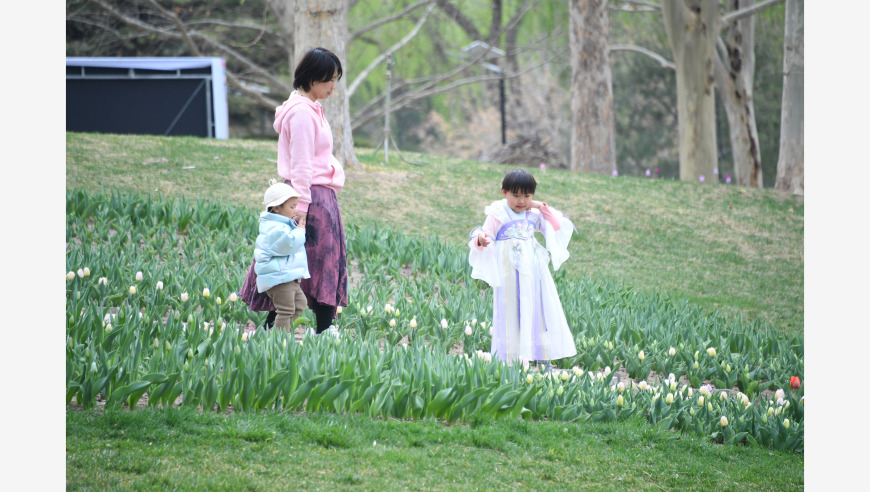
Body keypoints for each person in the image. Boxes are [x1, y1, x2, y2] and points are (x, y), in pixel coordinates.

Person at [239, 47, 348, 336]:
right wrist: (300, 210)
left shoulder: (310, 107)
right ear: (313, 79)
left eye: (336, 79)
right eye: (329, 80)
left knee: (306, 262)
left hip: (315, 197)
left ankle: (308, 328)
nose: (333, 87)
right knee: (296, 262)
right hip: (305, 198)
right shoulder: (301, 113)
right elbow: (301, 165)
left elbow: (315, 158)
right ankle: (311, 330)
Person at [468, 169, 577, 370]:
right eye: (515, 195)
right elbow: (486, 234)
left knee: (537, 308)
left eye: (527, 196)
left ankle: (542, 355)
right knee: (509, 310)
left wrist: (538, 205)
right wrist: (482, 239)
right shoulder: (498, 212)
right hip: (508, 272)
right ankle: (509, 359)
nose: (521, 201)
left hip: (533, 271)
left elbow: (556, 225)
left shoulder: (533, 214)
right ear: (504, 192)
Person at [253, 180, 310, 332]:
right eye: (292, 207)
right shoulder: (274, 227)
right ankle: (278, 341)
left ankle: (277, 330)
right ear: (277, 208)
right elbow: (288, 245)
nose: (295, 211)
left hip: (286, 275)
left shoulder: (282, 224)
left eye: (296, 206)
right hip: (278, 277)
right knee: (286, 310)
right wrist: (300, 231)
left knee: (300, 304)